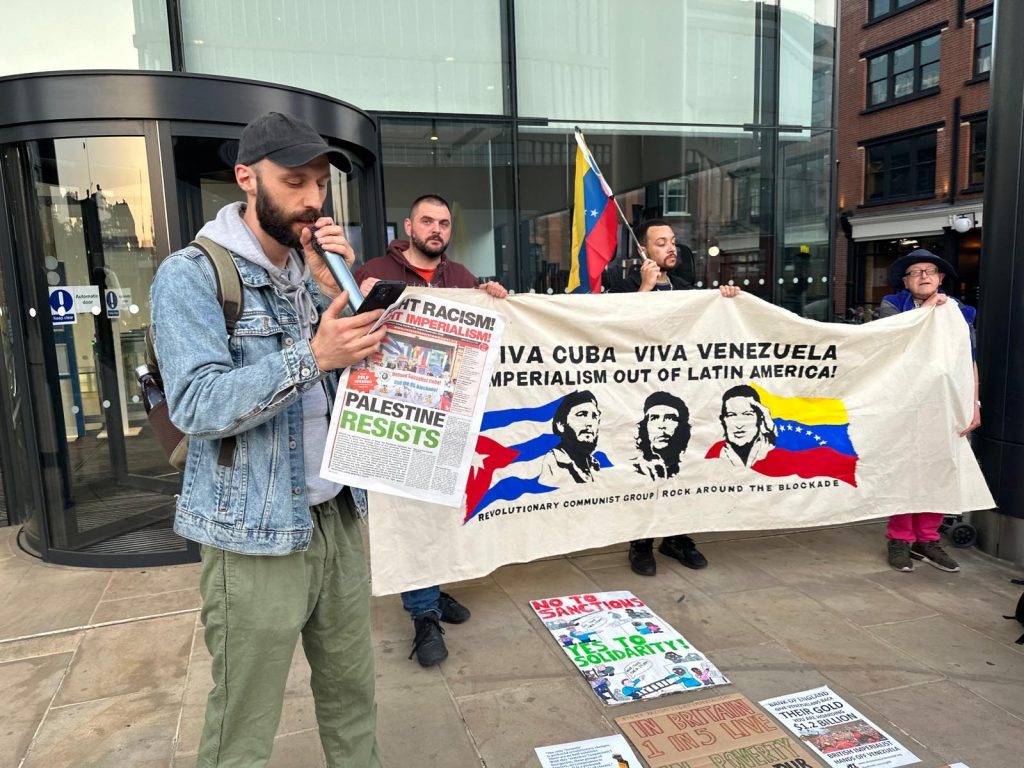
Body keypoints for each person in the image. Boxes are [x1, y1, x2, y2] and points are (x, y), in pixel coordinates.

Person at [151, 112, 384, 766]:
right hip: (252, 532)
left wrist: (334, 282)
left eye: (319, 182)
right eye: (294, 181)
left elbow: (357, 377)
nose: (312, 198)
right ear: (248, 179)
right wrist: (314, 355)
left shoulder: (314, 271)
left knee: (352, 693)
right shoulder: (192, 274)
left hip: (336, 513)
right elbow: (195, 402)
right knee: (246, 721)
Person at [355, 193, 507, 668]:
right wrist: (364, 294)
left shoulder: (461, 278)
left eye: (443, 222)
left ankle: (434, 590)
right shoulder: (374, 270)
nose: (436, 229)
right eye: (427, 221)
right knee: (407, 514)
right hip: (394, 418)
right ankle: (423, 615)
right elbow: (348, 330)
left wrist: (496, 298)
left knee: (440, 510)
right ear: (408, 225)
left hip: (449, 415)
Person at [608, 219, 740, 576]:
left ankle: (677, 537)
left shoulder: (686, 287)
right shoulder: (622, 285)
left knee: (683, 465)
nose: (671, 248)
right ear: (644, 251)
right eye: (661, 242)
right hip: (642, 396)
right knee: (646, 467)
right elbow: (621, 331)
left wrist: (724, 301)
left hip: (682, 393)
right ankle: (641, 543)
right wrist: (646, 288)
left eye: (673, 242)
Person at [880, 248, 980, 573]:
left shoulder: (959, 313)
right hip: (904, 402)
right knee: (905, 467)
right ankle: (899, 538)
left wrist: (973, 404)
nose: (924, 275)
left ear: (940, 279)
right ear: (906, 281)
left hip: (944, 404)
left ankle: (927, 538)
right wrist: (926, 311)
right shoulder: (893, 306)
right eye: (916, 271)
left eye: (931, 270)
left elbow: (969, 361)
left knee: (939, 467)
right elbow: (894, 339)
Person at [539, 390, 603, 484]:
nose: (589, 423)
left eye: (594, 416)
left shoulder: (593, 464)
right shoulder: (554, 462)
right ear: (560, 425)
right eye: (581, 415)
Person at [706, 384, 777, 468]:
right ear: (723, 420)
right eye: (731, 415)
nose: (739, 425)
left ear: (760, 417)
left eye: (747, 414)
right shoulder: (715, 452)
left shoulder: (774, 447)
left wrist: (773, 435)